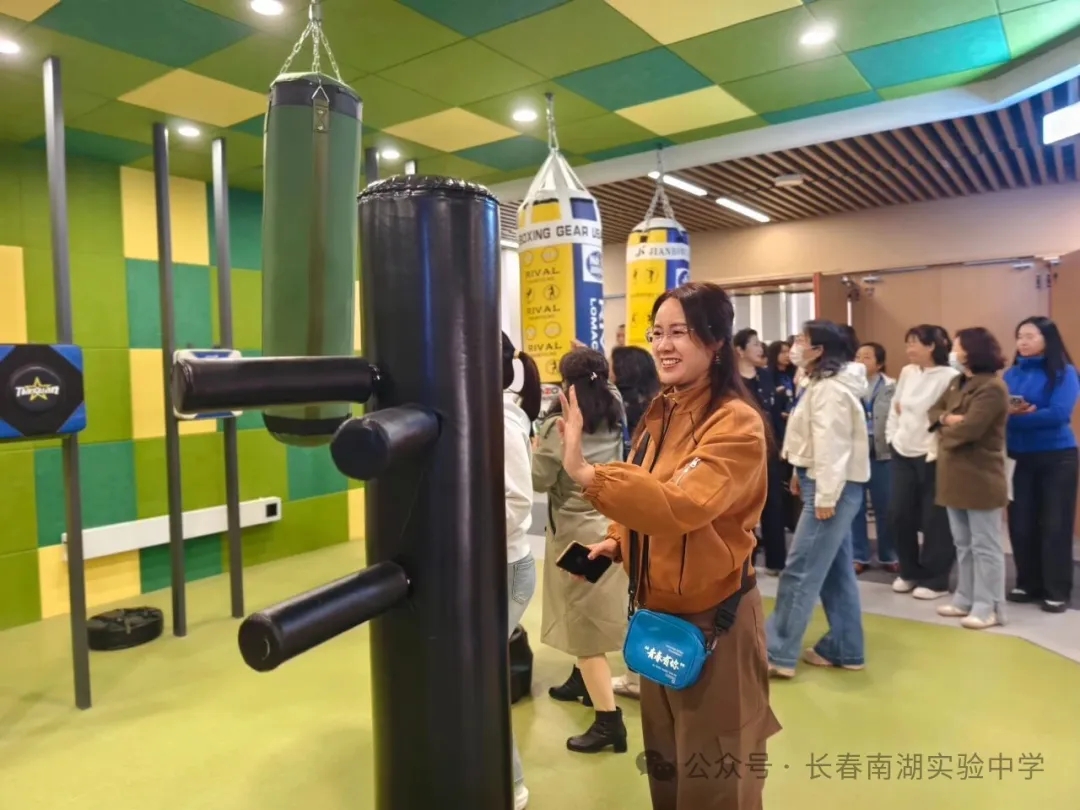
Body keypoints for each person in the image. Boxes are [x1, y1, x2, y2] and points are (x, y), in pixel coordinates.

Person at [561, 282, 780, 810]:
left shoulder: (734, 422)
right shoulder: (663, 411)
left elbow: (682, 505)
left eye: (679, 332)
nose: (663, 345)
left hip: (715, 622)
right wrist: (617, 540)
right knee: (666, 764)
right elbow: (650, 484)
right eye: (657, 332)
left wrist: (587, 473)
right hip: (657, 618)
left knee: (715, 774)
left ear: (716, 341)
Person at [532, 349, 629, 752]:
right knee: (586, 615)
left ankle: (609, 723)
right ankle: (580, 682)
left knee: (585, 633)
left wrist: (535, 446)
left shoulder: (560, 425)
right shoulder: (616, 411)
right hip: (612, 527)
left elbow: (539, 480)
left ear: (565, 383)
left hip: (575, 536)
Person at [766, 321, 869, 678]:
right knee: (836, 573)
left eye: (802, 340)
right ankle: (845, 647)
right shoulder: (819, 384)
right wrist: (799, 471)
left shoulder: (830, 390)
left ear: (819, 350)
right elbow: (813, 438)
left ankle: (777, 651)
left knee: (801, 569)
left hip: (830, 487)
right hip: (825, 481)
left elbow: (832, 446)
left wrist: (825, 495)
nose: (794, 345)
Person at [927, 328, 1010, 630]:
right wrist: (947, 419)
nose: (953, 351)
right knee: (962, 543)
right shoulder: (957, 381)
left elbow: (972, 428)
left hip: (981, 476)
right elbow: (933, 411)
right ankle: (965, 598)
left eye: (958, 346)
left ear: (972, 351)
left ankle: (989, 607)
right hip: (953, 474)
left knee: (985, 545)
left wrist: (944, 430)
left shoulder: (992, 387)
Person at [1003, 316, 1079, 613]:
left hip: (1057, 456)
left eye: (1030, 336)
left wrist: (1018, 418)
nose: (1023, 342)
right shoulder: (1011, 374)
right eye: (1020, 336)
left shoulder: (1064, 372)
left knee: (1054, 524)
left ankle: (1056, 589)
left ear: (1048, 340)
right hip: (1018, 456)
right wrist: (1018, 416)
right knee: (1020, 523)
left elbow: (1059, 414)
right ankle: (1027, 582)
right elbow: (999, 411)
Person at [886, 325, 959, 599]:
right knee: (899, 514)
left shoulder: (949, 376)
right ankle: (909, 571)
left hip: (932, 455)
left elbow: (946, 416)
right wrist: (892, 437)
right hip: (902, 451)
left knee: (935, 519)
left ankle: (936, 579)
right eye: (908, 343)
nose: (909, 349)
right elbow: (896, 408)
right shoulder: (907, 372)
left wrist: (935, 448)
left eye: (914, 343)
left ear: (932, 346)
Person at [501, 334, 542, 810]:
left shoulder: (503, 420)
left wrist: (469, 544)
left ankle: (511, 785)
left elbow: (516, 501)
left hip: (507, 568)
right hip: (494, 566)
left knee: (478, 677)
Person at [608, 345, 660, 700]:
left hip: (634, 504)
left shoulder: (625, 406)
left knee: (639, 595)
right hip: (649, 508)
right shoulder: (657, 402)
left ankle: (637, 675)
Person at [735, 329, 786, 575]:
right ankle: (745, 562)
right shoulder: (732, 381)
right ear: (740, 350)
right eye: (754, 344)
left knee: (774, 504)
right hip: (741, 451)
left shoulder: (766, 376)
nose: (760, 348)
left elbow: (774, 414)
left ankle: (776, 561)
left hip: (770, 448)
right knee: (743, 507)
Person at [851, 343, 897, 574]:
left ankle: (889, 555)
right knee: (855, 507)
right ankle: (859, 555)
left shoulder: (892, 387)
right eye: (858, 356)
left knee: (886, 506)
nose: (860, 361)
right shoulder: (848, 385)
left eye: (867, 357)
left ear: (879, 364)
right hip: (856, 454)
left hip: (884, 454)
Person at [767, 340, 799, 532]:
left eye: (788, 351)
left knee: (793, 477)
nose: (787, 355)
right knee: (781, 480)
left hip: (794, 429)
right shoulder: (769, 375)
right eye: (783, 352)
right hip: (779, 429)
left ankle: (793, 519)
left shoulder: (794, 374)